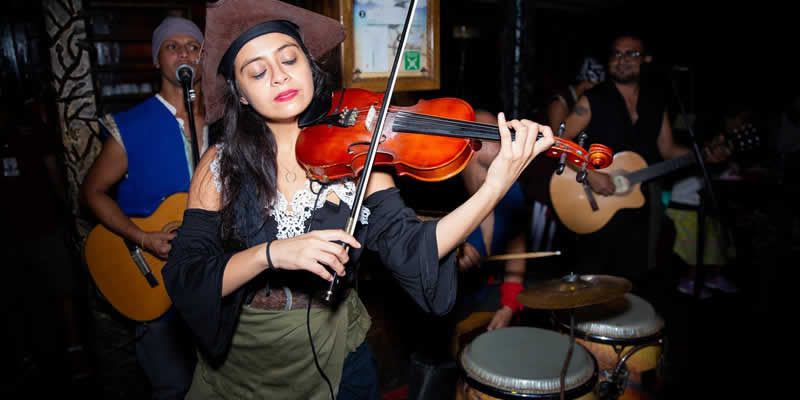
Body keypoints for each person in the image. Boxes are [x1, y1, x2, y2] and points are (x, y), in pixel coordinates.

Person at [160, 0, 555, 398]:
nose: (280, 76)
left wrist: (494, 188)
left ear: (308, 65)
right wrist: (271, 254)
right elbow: (187, 276)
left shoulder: (359, 152)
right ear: (242, 94)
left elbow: (413, 249)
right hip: (248, 360)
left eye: (290, 59)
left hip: (340, 351)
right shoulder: (221, 165)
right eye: (258, 72)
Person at [79, 16, 205, 399]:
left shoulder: (223, 122)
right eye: (172, 46)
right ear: (156, 59)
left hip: (210, 276)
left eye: (194, 46)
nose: (185, 53)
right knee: (173, 385)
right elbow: (93, 192)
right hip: (152, 275)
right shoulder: (131, 126)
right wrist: (142, 237)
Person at [560, 32, 726, 288]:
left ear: (647, 59)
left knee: (630, 281)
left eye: (631, 54)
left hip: (637, 205)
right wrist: (589, 173)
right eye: (616, 53)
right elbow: (560, 141)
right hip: (593, 203)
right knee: (592, 281)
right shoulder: (593, 99)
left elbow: (668, 150)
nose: (622, 59)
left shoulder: (656, 102)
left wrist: (704, 155)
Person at [1, 96, 93, 391]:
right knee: (18, 295)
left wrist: (65, 213)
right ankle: (24, 356)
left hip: (43, 222)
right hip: (9, 231)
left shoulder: (30, 125)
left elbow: (53, 171)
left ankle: (74, 349)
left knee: (62, 287)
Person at [455, 110, 528, 330]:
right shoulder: (441, 191)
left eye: (499, 136)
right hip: (446, 307)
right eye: (483, 137)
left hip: (485, 296)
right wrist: (447, 257)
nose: (497, 145)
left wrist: (508, 305)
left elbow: (517, 248)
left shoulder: (512, 192)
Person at [546, 56, 605, 133]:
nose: (598, 92)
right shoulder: (559, 103)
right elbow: (557, 137)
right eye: (596, 87)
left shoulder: (581, 101)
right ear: (586, 83)